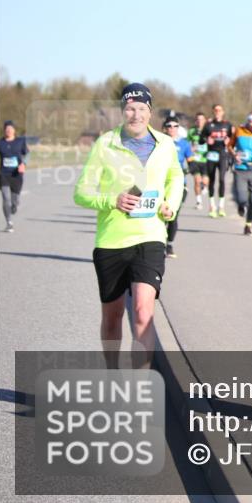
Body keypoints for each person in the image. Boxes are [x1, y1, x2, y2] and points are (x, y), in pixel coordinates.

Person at [74, 83, 183, 369]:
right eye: (130, 108)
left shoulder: (165, 144)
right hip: (111, 240)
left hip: (150, 237)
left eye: (142, 108)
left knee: (143, 313)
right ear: (123, 111)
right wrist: (113, 200)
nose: (136, 114)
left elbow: (176, 178)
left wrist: (170, 203)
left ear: (150, 111)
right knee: (112, 318)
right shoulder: (105, 144)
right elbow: (81, 192)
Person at [163, 117, 193, 257]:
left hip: (178, 185)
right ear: (165, 128)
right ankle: (158, 243)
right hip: (159, 185)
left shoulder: (184, 144)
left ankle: (169, 245)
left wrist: (194, 171)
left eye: (175, 126)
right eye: (169, 126)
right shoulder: (158, 141)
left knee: (173, 215)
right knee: (158, 216)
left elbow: (191, 162)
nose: (172, 128)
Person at [200, 104, 233, 218]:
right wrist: (206, 139)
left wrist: (229, 141)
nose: (217, 112)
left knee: (222, 179)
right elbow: (200, 139)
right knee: (212, 180)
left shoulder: (227, 124)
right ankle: (212, 206)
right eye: (216, 110)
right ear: (213, 112)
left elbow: (233, 140)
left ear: (223, 112)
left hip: (223, 154)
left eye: (219, 110)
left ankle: (221, 206)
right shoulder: (208, 125)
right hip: (211, 154)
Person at [0, 120, 29, 233]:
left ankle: (14, 206)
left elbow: (27, 154)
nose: (8, 130)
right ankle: (9, 223)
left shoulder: (20, 141)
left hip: (16, 175)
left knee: (14, 202)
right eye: (6, 128)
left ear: (14, 130)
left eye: (10, 128)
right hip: (3, 174)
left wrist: (23, 164)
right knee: (6, 198)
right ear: (4, 130)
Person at [186, 112, 209, 209]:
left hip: (206, 160)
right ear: (196, 121)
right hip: (194, 159)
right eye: (198, 120)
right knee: (197, 180)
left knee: (205, 180)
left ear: (205, 121)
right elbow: (186, 144)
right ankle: (198, 202)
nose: (199, 122)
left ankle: (204, 185)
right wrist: (190, 148)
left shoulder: (209, 131)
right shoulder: (191, 131)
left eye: (201, 120)